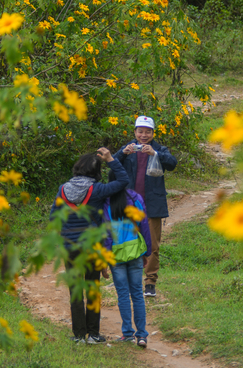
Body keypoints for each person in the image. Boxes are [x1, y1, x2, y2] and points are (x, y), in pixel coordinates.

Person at [49, 147, 129, 345]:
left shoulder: (63, 189)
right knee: (92, 287)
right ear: (96, 172)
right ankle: (93, 334)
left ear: (77, 169)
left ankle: (78, 336)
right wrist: (111, 159)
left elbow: (54, 217)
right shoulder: (98, 189)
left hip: (70, 247)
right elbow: (123, 181)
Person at [114, 116, 177, 298]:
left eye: (147, 132)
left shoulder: (158, 149)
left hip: (152, 204)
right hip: (130, 204)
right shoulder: (129, 149)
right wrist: (122, 154)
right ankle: (127, 279)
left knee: (153, 244)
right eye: (140, 131)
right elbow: (112, 167)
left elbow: (172, 164)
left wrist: (155, 154)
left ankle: (150, 282)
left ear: (152, 133)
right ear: (134, 132)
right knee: (127, 241)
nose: (143, 135)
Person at [103, 170, 152, 348]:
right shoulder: (135, 198)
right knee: (138, 294)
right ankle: (142, 336)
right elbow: (144, 224)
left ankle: (127, 334)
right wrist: (147, 251)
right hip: (135, 252)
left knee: (123, 295)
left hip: (116, 255)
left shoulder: (106, 203)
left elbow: (107, 235)